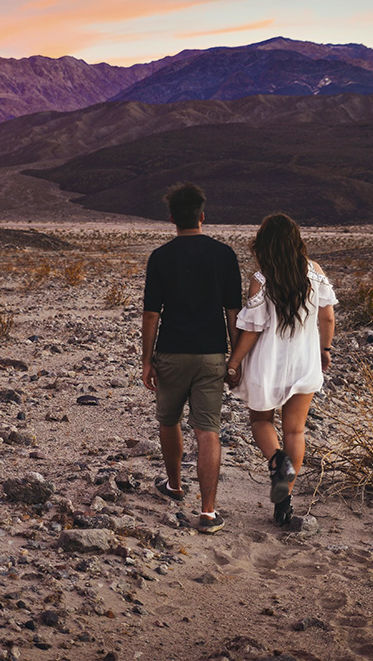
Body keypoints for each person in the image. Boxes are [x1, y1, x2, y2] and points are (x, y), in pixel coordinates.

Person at [141, 183, 242, 534]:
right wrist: (235, 359)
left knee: (168, 421)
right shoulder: (225, 255)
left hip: (171, 351)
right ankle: (209, 512)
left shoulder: (161, 256)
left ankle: (174, 485)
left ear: (172, 218)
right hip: (212, 353)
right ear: (202, 215)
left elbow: (151, 314)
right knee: (208, 430)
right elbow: (233, 312)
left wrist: (146, 359)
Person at [226, 214, 337, 527]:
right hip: (304, 361)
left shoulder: (262, 279)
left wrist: (234, 362)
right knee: (295, 430)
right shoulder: (315, 272)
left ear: (265, 243)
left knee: (261, 420)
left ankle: (277, 461)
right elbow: (327, 318)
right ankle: (283, 503)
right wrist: (324, 349)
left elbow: (253, 328)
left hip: (267, 362)